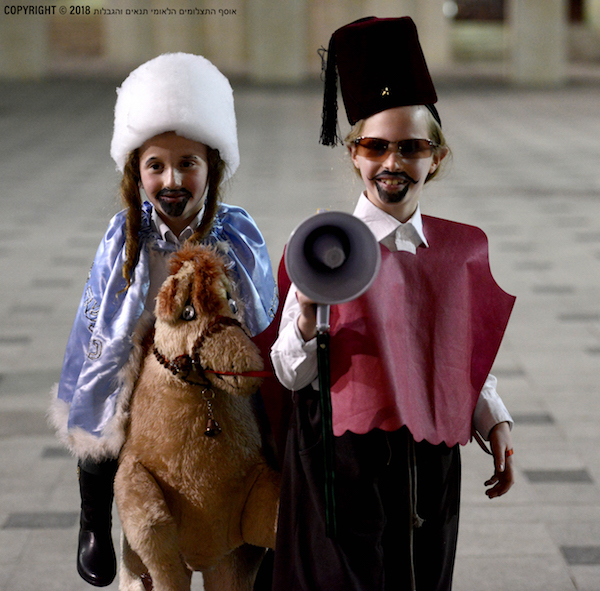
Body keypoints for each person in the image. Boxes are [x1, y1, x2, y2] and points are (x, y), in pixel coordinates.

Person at [270, 17, 516, 591]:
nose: (392, 163)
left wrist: (494, 417)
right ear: (354, 154)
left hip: (427, 460)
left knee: (422, 573)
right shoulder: (320, 245)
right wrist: (307, 311)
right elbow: (290, 371)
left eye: (411, 148)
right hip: (341, 462)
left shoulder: (457, 252)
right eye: (375, 147)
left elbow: (463, 355)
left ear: (437, 157)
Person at [49, 52, 278, 587]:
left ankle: (259, 529)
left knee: (266, 416)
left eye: (187, 163)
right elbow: (102, 314)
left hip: (212, 368)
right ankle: (94, 523)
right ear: (137, 172)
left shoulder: (235, 232)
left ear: (211, 167)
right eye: (156, 165)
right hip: (145, 366)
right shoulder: (124, 236)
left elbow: (260, 309)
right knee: (102, 399)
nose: (172, 179)